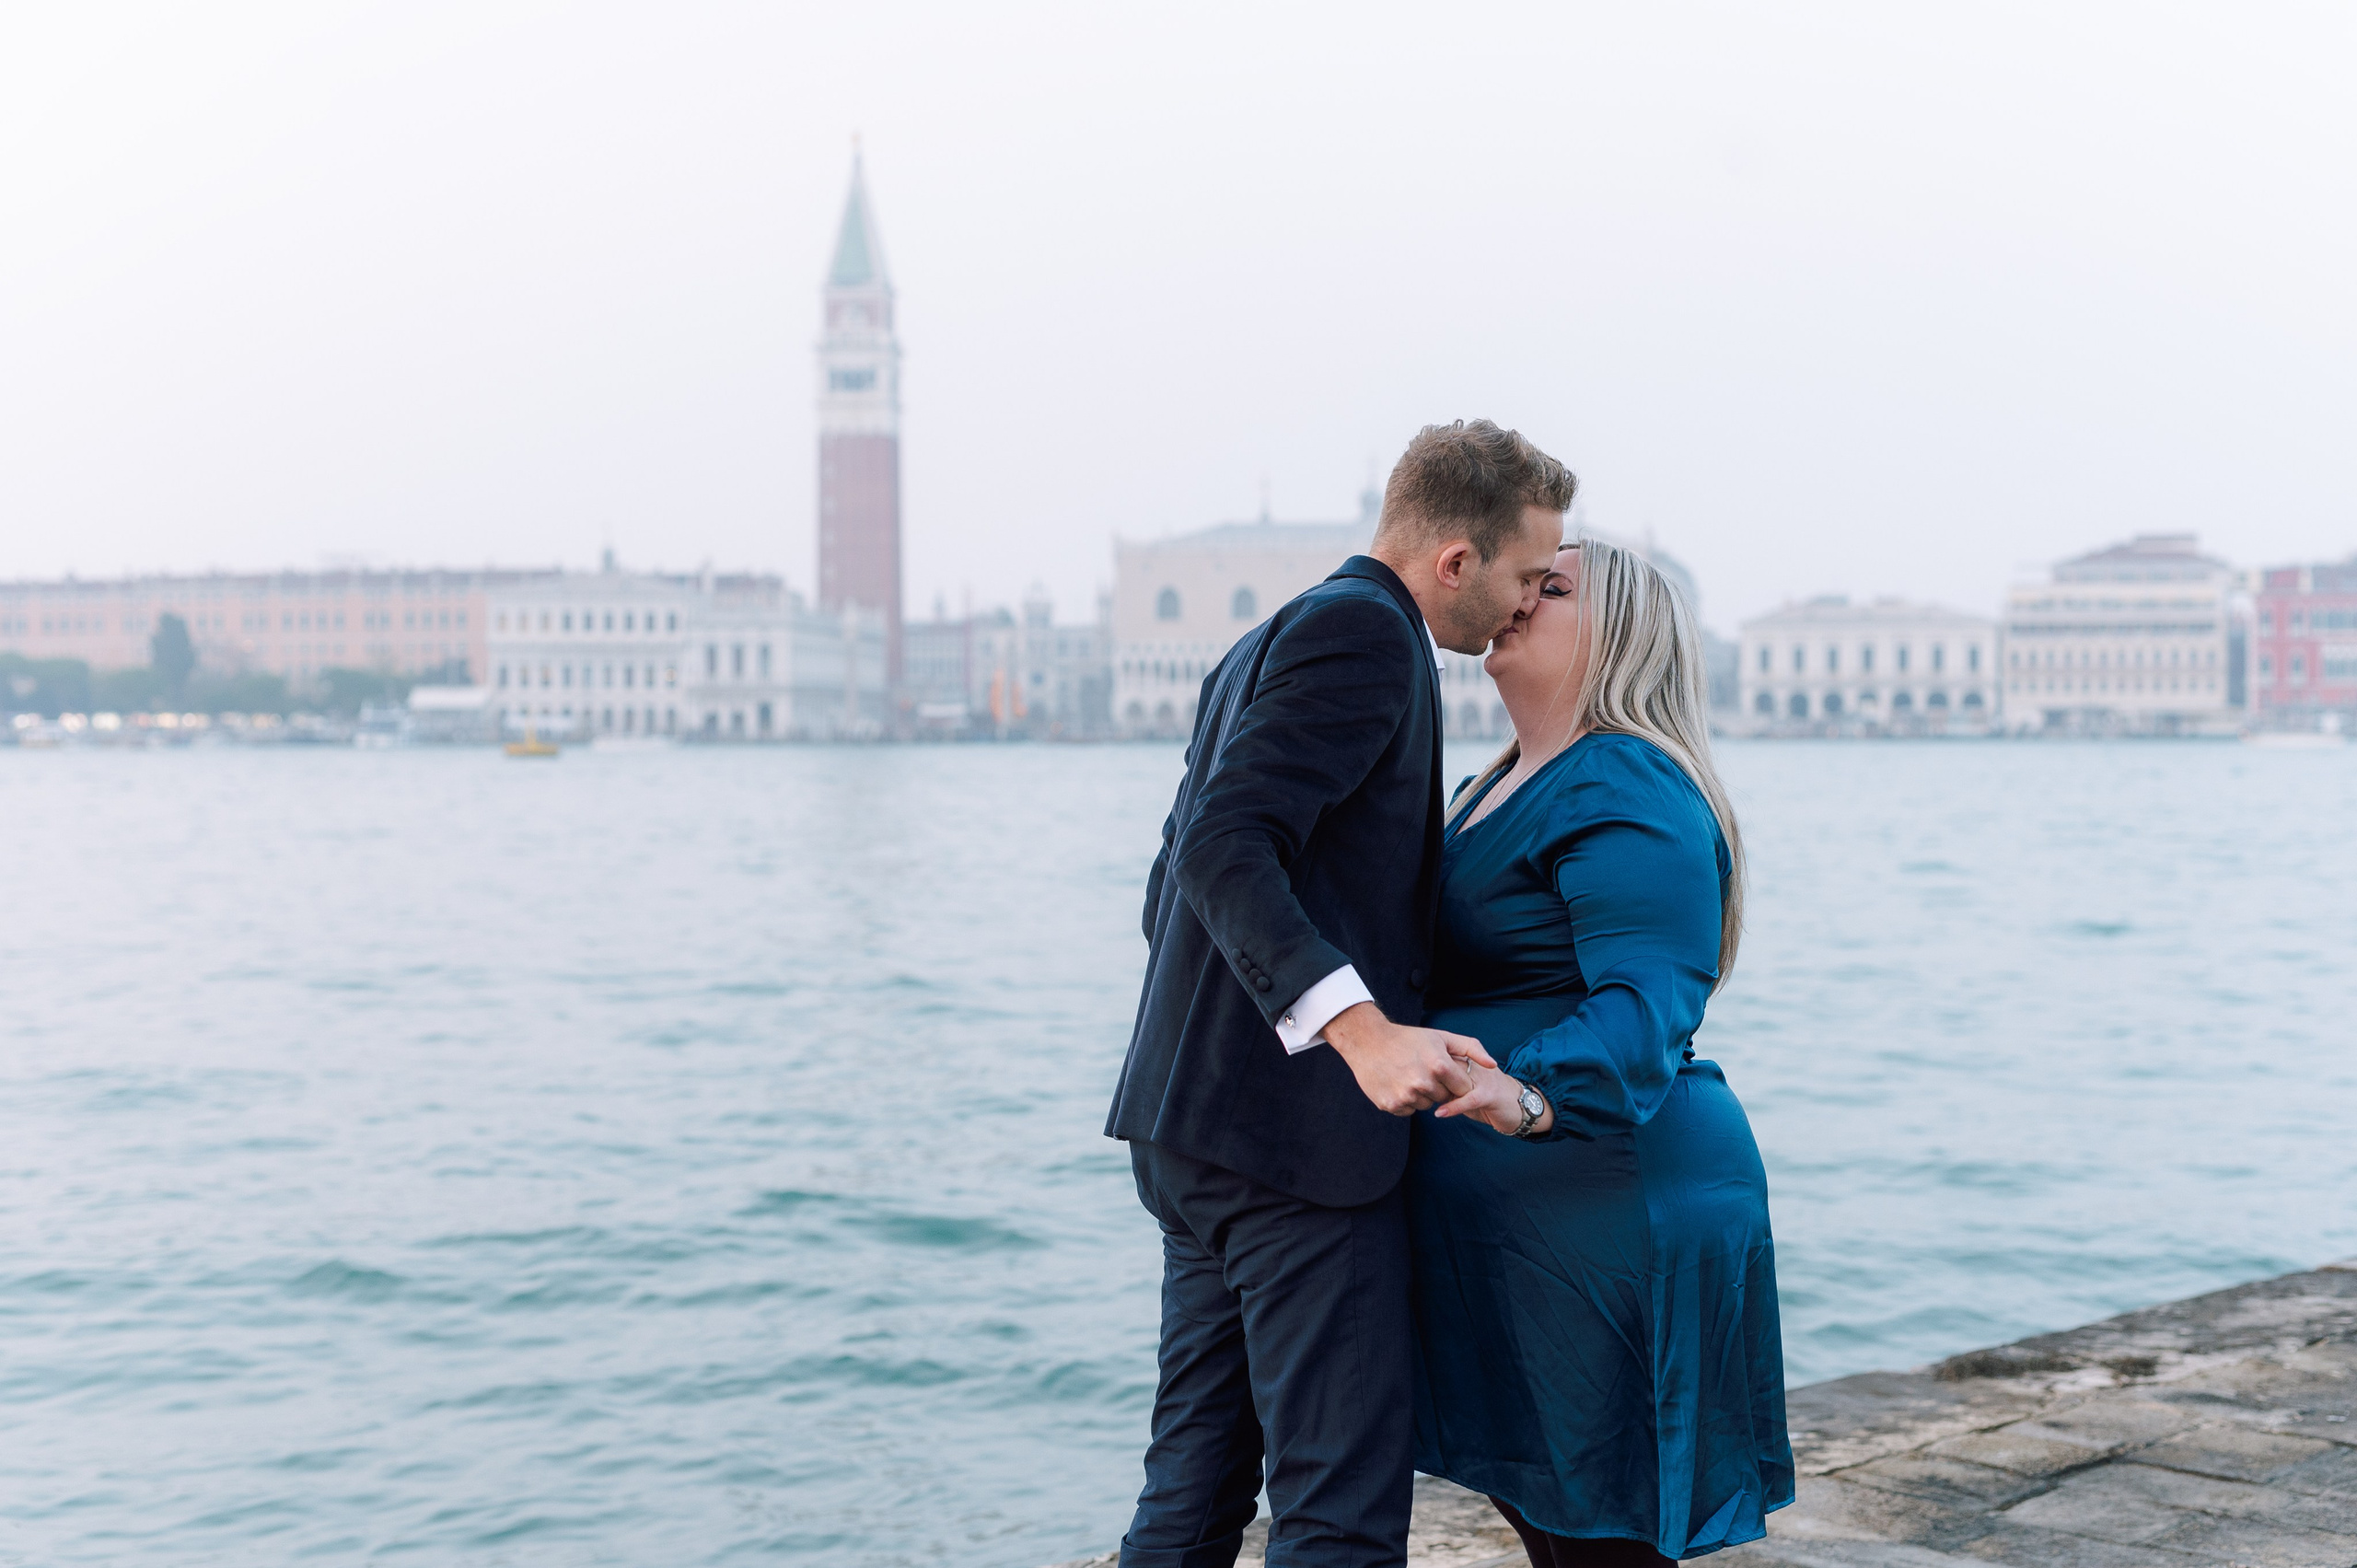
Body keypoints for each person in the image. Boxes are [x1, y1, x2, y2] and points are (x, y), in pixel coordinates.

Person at [1104, 420, 1575, 1567]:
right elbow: (1221, 846)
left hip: (1192, 1128)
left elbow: (1172, 878)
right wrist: (1358, 1033)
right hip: (1295, 1149)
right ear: (1454, 562)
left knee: (1195, 1486)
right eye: (1523, 576)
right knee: (1338, 1513)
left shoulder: (1266, 637)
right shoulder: (1367, 635)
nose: (1526, 604)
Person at [1409, 539, 1794, 1563]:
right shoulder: (1495, 782)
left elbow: (1647, 1000)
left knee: (1599, 1547)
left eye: (1553, 586)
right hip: (1540, 1221)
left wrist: (1523, 1095)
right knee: (1556, 1535)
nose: (1517, 596)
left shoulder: (1620, 775)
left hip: (1613, 1210)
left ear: (1619, 630)